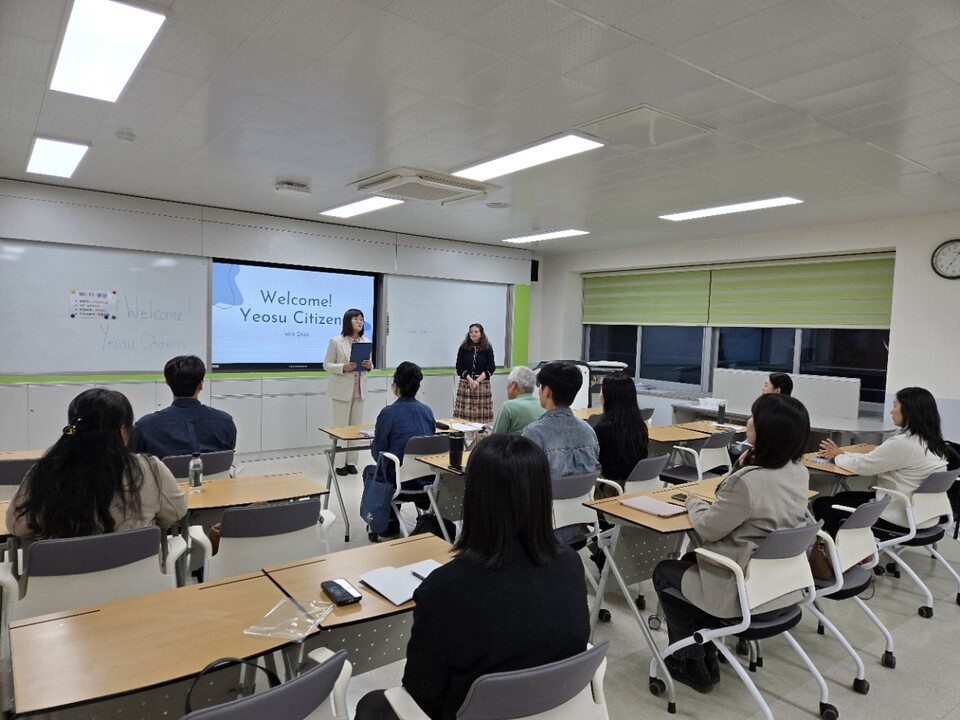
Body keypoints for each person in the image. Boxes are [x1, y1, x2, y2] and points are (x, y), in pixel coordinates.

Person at [354, 434, 590, 720]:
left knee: (372, 704)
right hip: (555, 710)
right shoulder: (571, 564)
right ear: (543, 494)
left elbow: (420, 695)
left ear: (475, 496)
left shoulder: (444, 590)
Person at [652, 393, 810, 693]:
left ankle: (690, 661)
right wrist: (741, 468)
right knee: (688, 565)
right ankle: (707, 653)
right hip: (780, 592)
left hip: (743, 594)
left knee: (665, 572)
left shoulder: (749, 482)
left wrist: (693, 502)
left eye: (753, 417)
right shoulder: (799, 473)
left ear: (768, 430)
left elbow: (708, 528)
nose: (748, 422)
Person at [7, 388, 188, 540]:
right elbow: (176, 512)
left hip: (66, 571)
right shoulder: (150, 469)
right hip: (137, 571)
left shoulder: (46, 470)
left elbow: (16, 525)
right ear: (123, 431)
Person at [812, 386, 948, 536]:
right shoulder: (933, 442)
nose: (891, 411)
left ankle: (836, 549)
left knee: (822, 504)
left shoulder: (903, 443)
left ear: (908, 411)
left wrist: (837, 457)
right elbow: (872, 459)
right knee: (841, 497)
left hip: (900, 518)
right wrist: (843, 454)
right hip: (925, 516)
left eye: (895, 406)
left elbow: (864, 466)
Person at [366, 361, 436, 540]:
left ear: (395, 387)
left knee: (371, 472)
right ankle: (392, 520)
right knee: (392, 468)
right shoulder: (427, 411)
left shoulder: (388, 413)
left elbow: (379, 454)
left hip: (399, 485)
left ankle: (385, 523)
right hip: (427, 482)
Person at [128, 355, 237, 459]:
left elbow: (134, 463)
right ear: (200, 385)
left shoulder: (145, 426)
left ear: (168, 383)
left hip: (166, 473)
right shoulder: (225, 422)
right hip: (215, 473)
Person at [521, 362, 598, 480]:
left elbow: (524, 477)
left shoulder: (533, 433)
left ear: (547, 391)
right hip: (584, 492)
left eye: (540, 386)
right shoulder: (589, 431)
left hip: (547, 492)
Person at [325, 309, 374, 476]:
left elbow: (369, 364)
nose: (360, 322)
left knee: (355, 428)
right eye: (356, 319)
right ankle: (339, 464)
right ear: (348, 321)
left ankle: (351, 462)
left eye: (362, 319)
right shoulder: (336, 341)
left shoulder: (365, 341)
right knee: (341, 428)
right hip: (341, 391)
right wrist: (343, 367)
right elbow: (326, 365)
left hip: (359, 390)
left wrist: (370, 365)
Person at [593, 372, 649, 494]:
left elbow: (592, 461)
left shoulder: (602, 428)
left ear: (608, 396)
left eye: (602, 390)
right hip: (636, 489)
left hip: (611, 490)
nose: (600, 394)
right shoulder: (640, 426)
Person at [454, 323, 495, 424]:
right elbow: (459, 366)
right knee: (465, 418)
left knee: (480, 419)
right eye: (471, 332)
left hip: (482, 384)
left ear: (481, 333)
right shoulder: (463, 348)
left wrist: (477, 381)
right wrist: (469, 379)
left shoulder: (487, 348)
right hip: (466, 383)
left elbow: (491, 367)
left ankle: (480, 434)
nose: (473, 334)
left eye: (476, 332)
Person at [490, 365, 543, 435]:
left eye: (508, 383)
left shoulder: (508, 406)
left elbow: (495, 438)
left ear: (513, 385)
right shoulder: (543, 405)